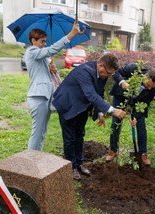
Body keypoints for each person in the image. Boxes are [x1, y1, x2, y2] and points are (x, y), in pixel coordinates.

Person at [52, 53, 126, 180]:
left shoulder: (102, 73)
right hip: (67, 103)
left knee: (80, 135)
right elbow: (91, 94)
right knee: (69, 138)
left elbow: (99, 92)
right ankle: (71, 166)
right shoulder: (85, 71)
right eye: (108, 73)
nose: (108, 76)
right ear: (101, 65)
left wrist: (100, 112)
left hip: (82, 106)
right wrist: (112, 110)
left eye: (110, 74)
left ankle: (79, 164)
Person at [25, 21, 80, 151]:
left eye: (45, 41)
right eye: (42, 41)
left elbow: (49, 76)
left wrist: (53, 70)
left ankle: (36, 157)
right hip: (38, 97)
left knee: (42, 132)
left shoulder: (41, 56)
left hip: (45, 96)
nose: (44, 44)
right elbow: (51, 50)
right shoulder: (32, 51)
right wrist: (71, 35)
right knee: (37, 132)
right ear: (33, 40)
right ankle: (30, 160)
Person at [105, 63, 155, 165]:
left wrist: (135, 117)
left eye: (151, 87)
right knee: (115, 123)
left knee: (141, 125)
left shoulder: (153, 89)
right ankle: (113, 150)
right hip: (121, 96)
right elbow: (116, 72)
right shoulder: (135, 68)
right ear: (146, 76)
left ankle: (143, 153)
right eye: (148, 85)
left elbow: (144, 105)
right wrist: (122, 82)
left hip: (137, 103)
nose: (149, 88)